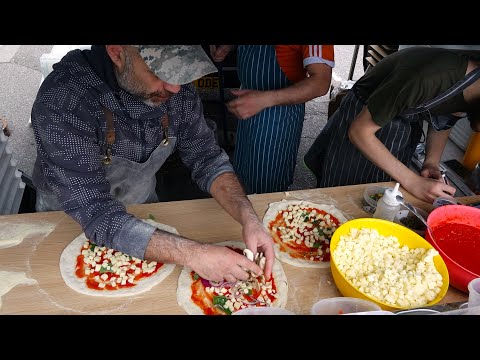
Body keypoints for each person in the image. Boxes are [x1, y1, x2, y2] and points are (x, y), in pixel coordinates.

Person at [30, 45, 275, 281]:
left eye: (182, 72)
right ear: (117, 52)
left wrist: (248, 217)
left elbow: (207, 158)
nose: (176, 87)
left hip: (142, 211)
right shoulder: (64, 102)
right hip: (68, 222)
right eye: (161, 73)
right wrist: (194, 254)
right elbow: (96, 213)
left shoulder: (175, 91)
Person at [304, 46, 480, 203]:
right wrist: (413, 181)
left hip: (401, 123)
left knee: (383, 194)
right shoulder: (427, 78)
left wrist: (431, 163)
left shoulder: (473, 89)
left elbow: (446, 117)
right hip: (363, 117)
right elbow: (359, 131)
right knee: (343, 196)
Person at [210, 45, 334, 194]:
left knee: (266, 189)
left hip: (277, 118)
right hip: (248, 106)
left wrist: (263, 100)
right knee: (242, 176)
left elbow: (320, 82)